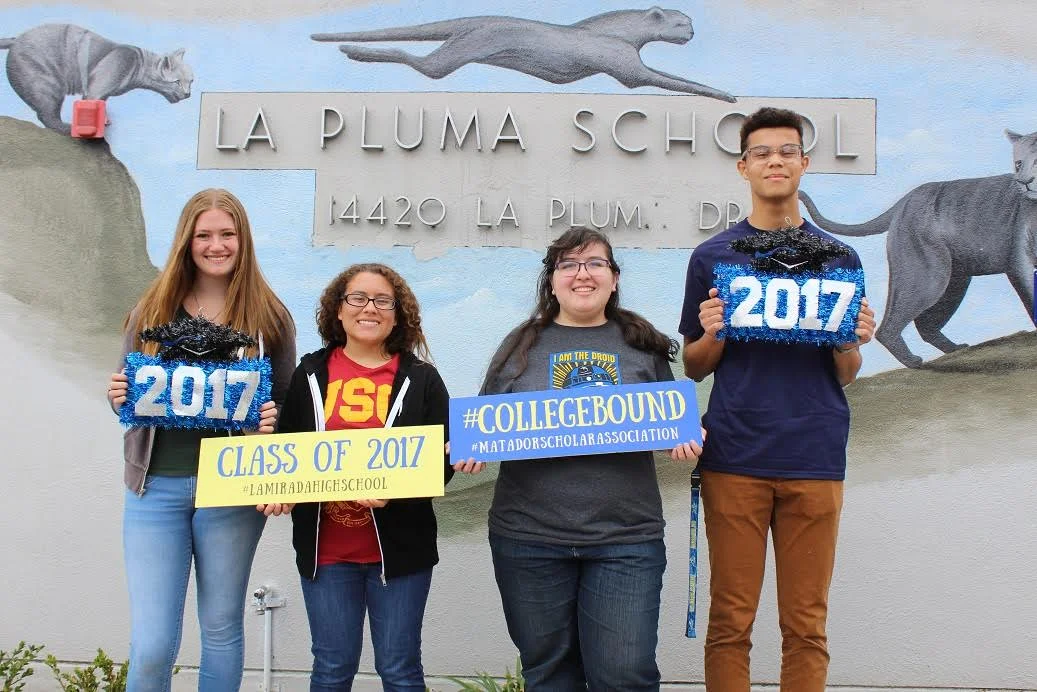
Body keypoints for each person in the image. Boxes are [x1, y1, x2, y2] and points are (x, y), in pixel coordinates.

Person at [679, 107, 877, 692]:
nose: (775, 161)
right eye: (762, 152)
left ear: (804, 164)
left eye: (787, 151)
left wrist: (851, 341)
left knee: (807, 625)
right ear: (744, 166)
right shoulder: (713, 257)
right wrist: (712, 330)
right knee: (730, 622)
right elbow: (693, 365)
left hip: (815, 454)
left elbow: (845, 372)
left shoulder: (841, 258)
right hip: (735, 453)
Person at [477, 226, 702, 691]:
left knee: (623, 675)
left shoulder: (644, 344)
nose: (583, 274)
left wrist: (683, 436)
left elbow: (665, 420)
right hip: (529, 539)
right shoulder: (519, 344)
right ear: (553, 280)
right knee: (549, 675)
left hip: (625, 539)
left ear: (614, 278)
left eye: (595, 263)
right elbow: (485, 424)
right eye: (568, 265)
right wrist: (466, 448)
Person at [106, 188, 297, 691]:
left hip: (231, 490)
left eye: (227, 234)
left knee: (220, 629)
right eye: (204, 234)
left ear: (243, 240)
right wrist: (117, 394)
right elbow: (130, 396)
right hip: (155, 488)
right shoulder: (150, 308)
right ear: (187, 241)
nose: (216, 245)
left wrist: (272, 422)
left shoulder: (269, 317)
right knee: (151, 643)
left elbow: (286, 403)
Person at [276, 263, 484, 692]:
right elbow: (285, 450)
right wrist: (278, 493)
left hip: (400, 553)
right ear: (338, 309)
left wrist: (404, 487)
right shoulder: (310, 374)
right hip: (326, 552)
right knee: (331, 669)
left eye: (382, 300)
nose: (369, 308)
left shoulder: (421, 379)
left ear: (396, 314)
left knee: (400, 670)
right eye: (358, 297)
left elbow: (440, 461)